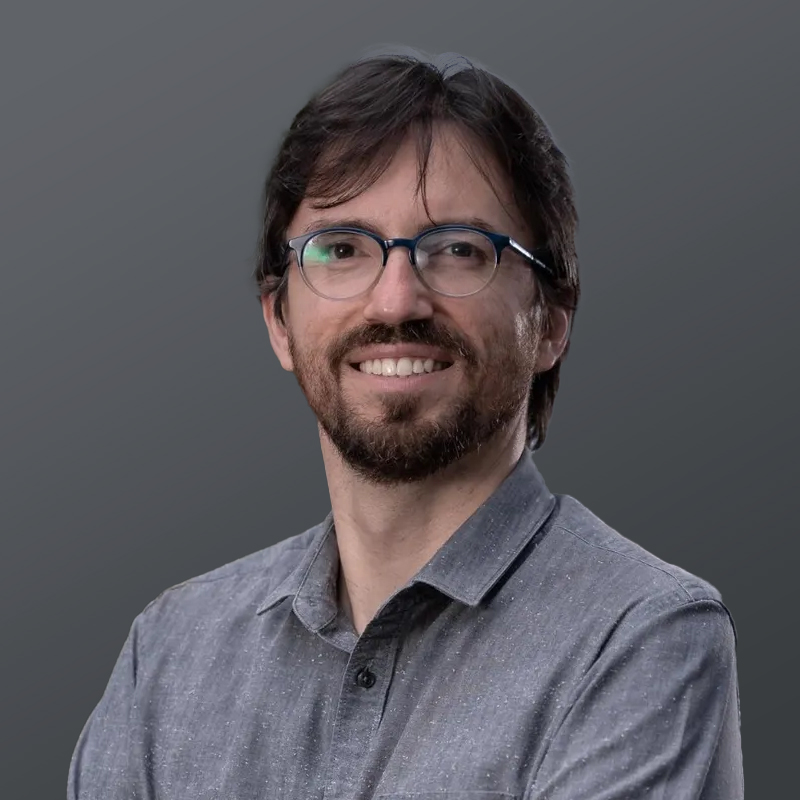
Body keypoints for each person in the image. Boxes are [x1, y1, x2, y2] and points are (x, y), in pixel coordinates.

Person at [68, 50, 744, 799]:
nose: (395, 301)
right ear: (279, 321)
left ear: (552, 322)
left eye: (457, 250)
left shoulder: (640, 638)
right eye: (342, 249)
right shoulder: (169, 653)